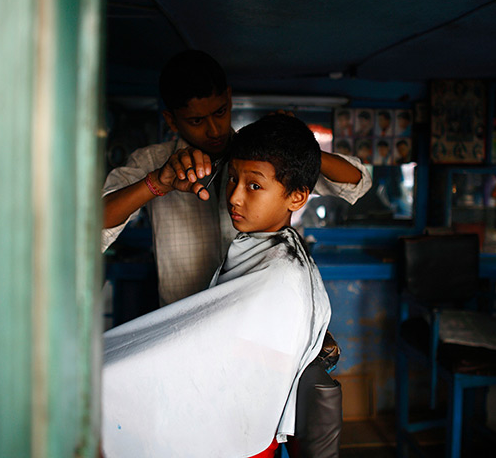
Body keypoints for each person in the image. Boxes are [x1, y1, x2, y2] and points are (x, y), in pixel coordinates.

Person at [101, 114, 334, 458]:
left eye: (254, 186)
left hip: (242, 431)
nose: (235, 197)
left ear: (297, 198)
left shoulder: (279, 275)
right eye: (232, 180)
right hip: (233, 406)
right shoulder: (270, 254)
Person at [102, 50, 372, 307]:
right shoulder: (151, 162)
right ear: (172, 121)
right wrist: (156, 184)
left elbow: (358, 182)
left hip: (256, 321)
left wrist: (293, 145)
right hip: (185, 324)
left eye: (219, 112)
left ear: (229, 99)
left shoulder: (259, 156)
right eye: (196, 121)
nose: (214, 129)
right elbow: (94, 227)